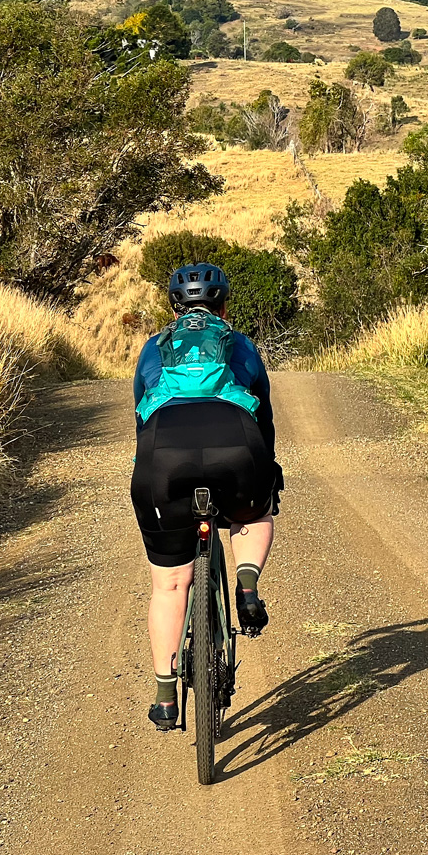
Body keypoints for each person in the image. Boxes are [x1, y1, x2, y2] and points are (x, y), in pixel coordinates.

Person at [129, 262, 283, 731]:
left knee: (169, 585)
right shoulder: (242, 345)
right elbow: (264, 417)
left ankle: (165, 696)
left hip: (163, 455)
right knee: (252, 513)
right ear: (223, 306)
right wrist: (267, 472)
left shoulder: (153, 349)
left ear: (174, 307)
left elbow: (140, 419)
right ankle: (247, 585)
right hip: (235, 445)